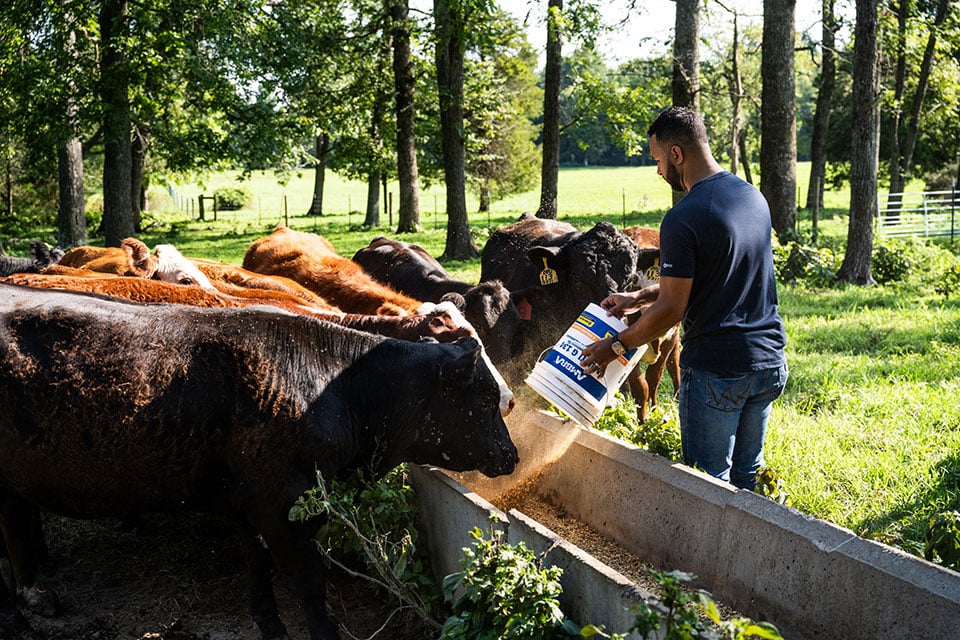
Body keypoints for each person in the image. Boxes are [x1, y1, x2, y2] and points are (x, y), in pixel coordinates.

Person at [580, 106, 787, 490]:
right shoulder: (752, 198)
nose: (659, 171)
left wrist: (617, 345)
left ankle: (714, 553)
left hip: (718, 370)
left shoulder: (683, 217)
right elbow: (716, 276)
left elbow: (672, 310)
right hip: (769, 363)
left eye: (658, 160)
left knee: (707, 488)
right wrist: (638, 296)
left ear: (677, 154)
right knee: (747, 480)